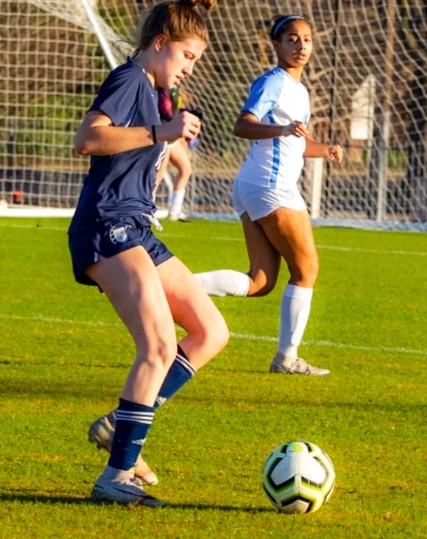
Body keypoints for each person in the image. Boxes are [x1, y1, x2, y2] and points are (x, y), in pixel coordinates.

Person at [69, 0, 227, 507]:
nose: (189, 66)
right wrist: (162, 133)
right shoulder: (130, 77)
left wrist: (169, 149)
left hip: (137, 225)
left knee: (210, 333)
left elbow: (148, 144)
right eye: (186, 55)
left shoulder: (159, 93)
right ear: (160, 43)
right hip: (107, 226)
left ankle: (122, 425)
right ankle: (115, 475)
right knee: (159, 346)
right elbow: (88, 138)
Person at [194, 15, 343, 376]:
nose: (301, 46)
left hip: (257, 185)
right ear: (276, 46)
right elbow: (242, 124)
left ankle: (173, 287)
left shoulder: (300, 91)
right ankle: (287, 358)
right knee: (306, 269)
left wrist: (323, 149)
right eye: (292, 39)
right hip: (270, 185)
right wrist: (281, 128)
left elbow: (293, 140)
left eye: (306, 39)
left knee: (260, 281)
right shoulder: (272, 82)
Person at [155, 85, 195, 222]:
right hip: (163, 135)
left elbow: (176, 110)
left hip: (174, 138)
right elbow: (166, 112)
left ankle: (175, 211)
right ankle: (146, 209)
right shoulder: (160, 88)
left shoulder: (176, 88)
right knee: (157, 176)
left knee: (186, 169)